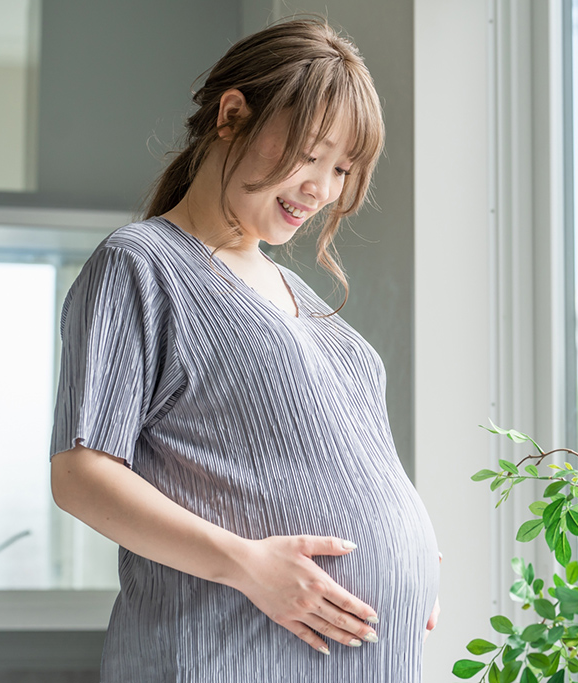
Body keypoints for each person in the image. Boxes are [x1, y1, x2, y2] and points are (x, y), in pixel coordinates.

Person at [49, 17, 441, 682]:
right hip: (221, 651)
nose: (322, 188)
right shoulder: (141, 265)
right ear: (232, 115)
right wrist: (246, 563)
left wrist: (413, 550)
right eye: (311, 154)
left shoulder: (295, 291)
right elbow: (81, 475)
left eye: (342, 168)